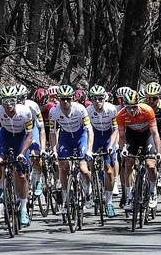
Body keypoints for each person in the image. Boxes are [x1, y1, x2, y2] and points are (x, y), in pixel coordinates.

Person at [0, 86, 35, 226]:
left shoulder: (25, 112)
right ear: (1, 102)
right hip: (4, 136)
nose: (9, 104)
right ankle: (0, 187)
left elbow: (30, 135)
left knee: (21, 175)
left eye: (12, 100)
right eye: (6, 101)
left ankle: (23, 210)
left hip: (21, 138)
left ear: (16, 101)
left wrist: (22, 153)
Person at [49, 85, 95, 214]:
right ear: (58, 99)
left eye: (68, 99)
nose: (65, 102)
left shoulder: (80, 109)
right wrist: (54, 150)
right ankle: (65, 198)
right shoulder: (54, 111)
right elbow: (52, 132)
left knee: (84, 170)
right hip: (66, 137)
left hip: (81, 136)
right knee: (63, 167)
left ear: (72, 98)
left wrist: (89, 150)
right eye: (62, 99)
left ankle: (88, 190)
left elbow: (89, 130)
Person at [116, 90, 161, 211]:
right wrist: (123, 149)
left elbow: (155, 133)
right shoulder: (120, 115)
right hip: (132, 135)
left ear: (138, 104)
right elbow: (121, 136)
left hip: (147, 135)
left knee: (150, 165)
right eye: (128, 108)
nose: (132, 111)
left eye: (134, 107)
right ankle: (129, 196)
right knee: (128, 162)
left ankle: (152, 192)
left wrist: (159, 153)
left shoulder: (147, 111)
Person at [86, 85, 119, 218]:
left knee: (109, 171)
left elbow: (116, 129)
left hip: (107, 137)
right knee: (89, 164)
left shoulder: (111, 109)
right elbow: (86, 130)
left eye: (100, 99)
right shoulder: (87, 110)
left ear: (104, 98)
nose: (98, 102)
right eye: (95, 99)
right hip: (94, 136)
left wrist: (111, 145)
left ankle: (109, 203)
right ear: (91, 100)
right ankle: (91, 186)